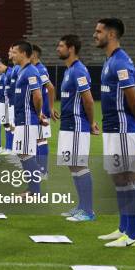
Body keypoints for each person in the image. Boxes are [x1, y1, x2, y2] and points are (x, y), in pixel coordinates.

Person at [94, 18, 135, 247]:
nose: (95, 35)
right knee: (117, 177)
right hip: (112, 127)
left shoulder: (121, 62)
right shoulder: (109, 60)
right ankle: (123, 228)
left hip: (123, 128)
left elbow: (134, 100)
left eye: (99, 31)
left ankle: (132, 236)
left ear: (112, 34)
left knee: (128, 177)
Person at [55, 34, 99, 222]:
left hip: (76, 125)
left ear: (71, 48)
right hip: (67, 125)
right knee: (73, 166)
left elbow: (88, 100)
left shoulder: (79, 70)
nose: (58, 48)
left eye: (61, 45)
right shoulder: (69, 70)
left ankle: (88, 211)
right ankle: (81, 206)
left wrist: (91, 123)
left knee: (80, 165)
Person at [11, 41, 48, 195]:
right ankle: (32, 189)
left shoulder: (31, 71)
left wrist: (38, 113)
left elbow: (38, 95)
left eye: (15, 52)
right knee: (22, 153)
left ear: (24, 54)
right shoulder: (22, 70)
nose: (12, 55)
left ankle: (35, 191)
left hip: (27, 119)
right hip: (21, 119)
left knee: (26, 153)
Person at [31, 45, 55, 178]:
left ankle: (43, 170)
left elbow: (50, 88)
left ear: (33, 55)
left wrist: (50, 108)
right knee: (37, 139)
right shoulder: (35, 69)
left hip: (42, 111)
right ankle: (38, 168)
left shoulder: (41, 69)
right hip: (37, 110)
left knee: (41, 140)